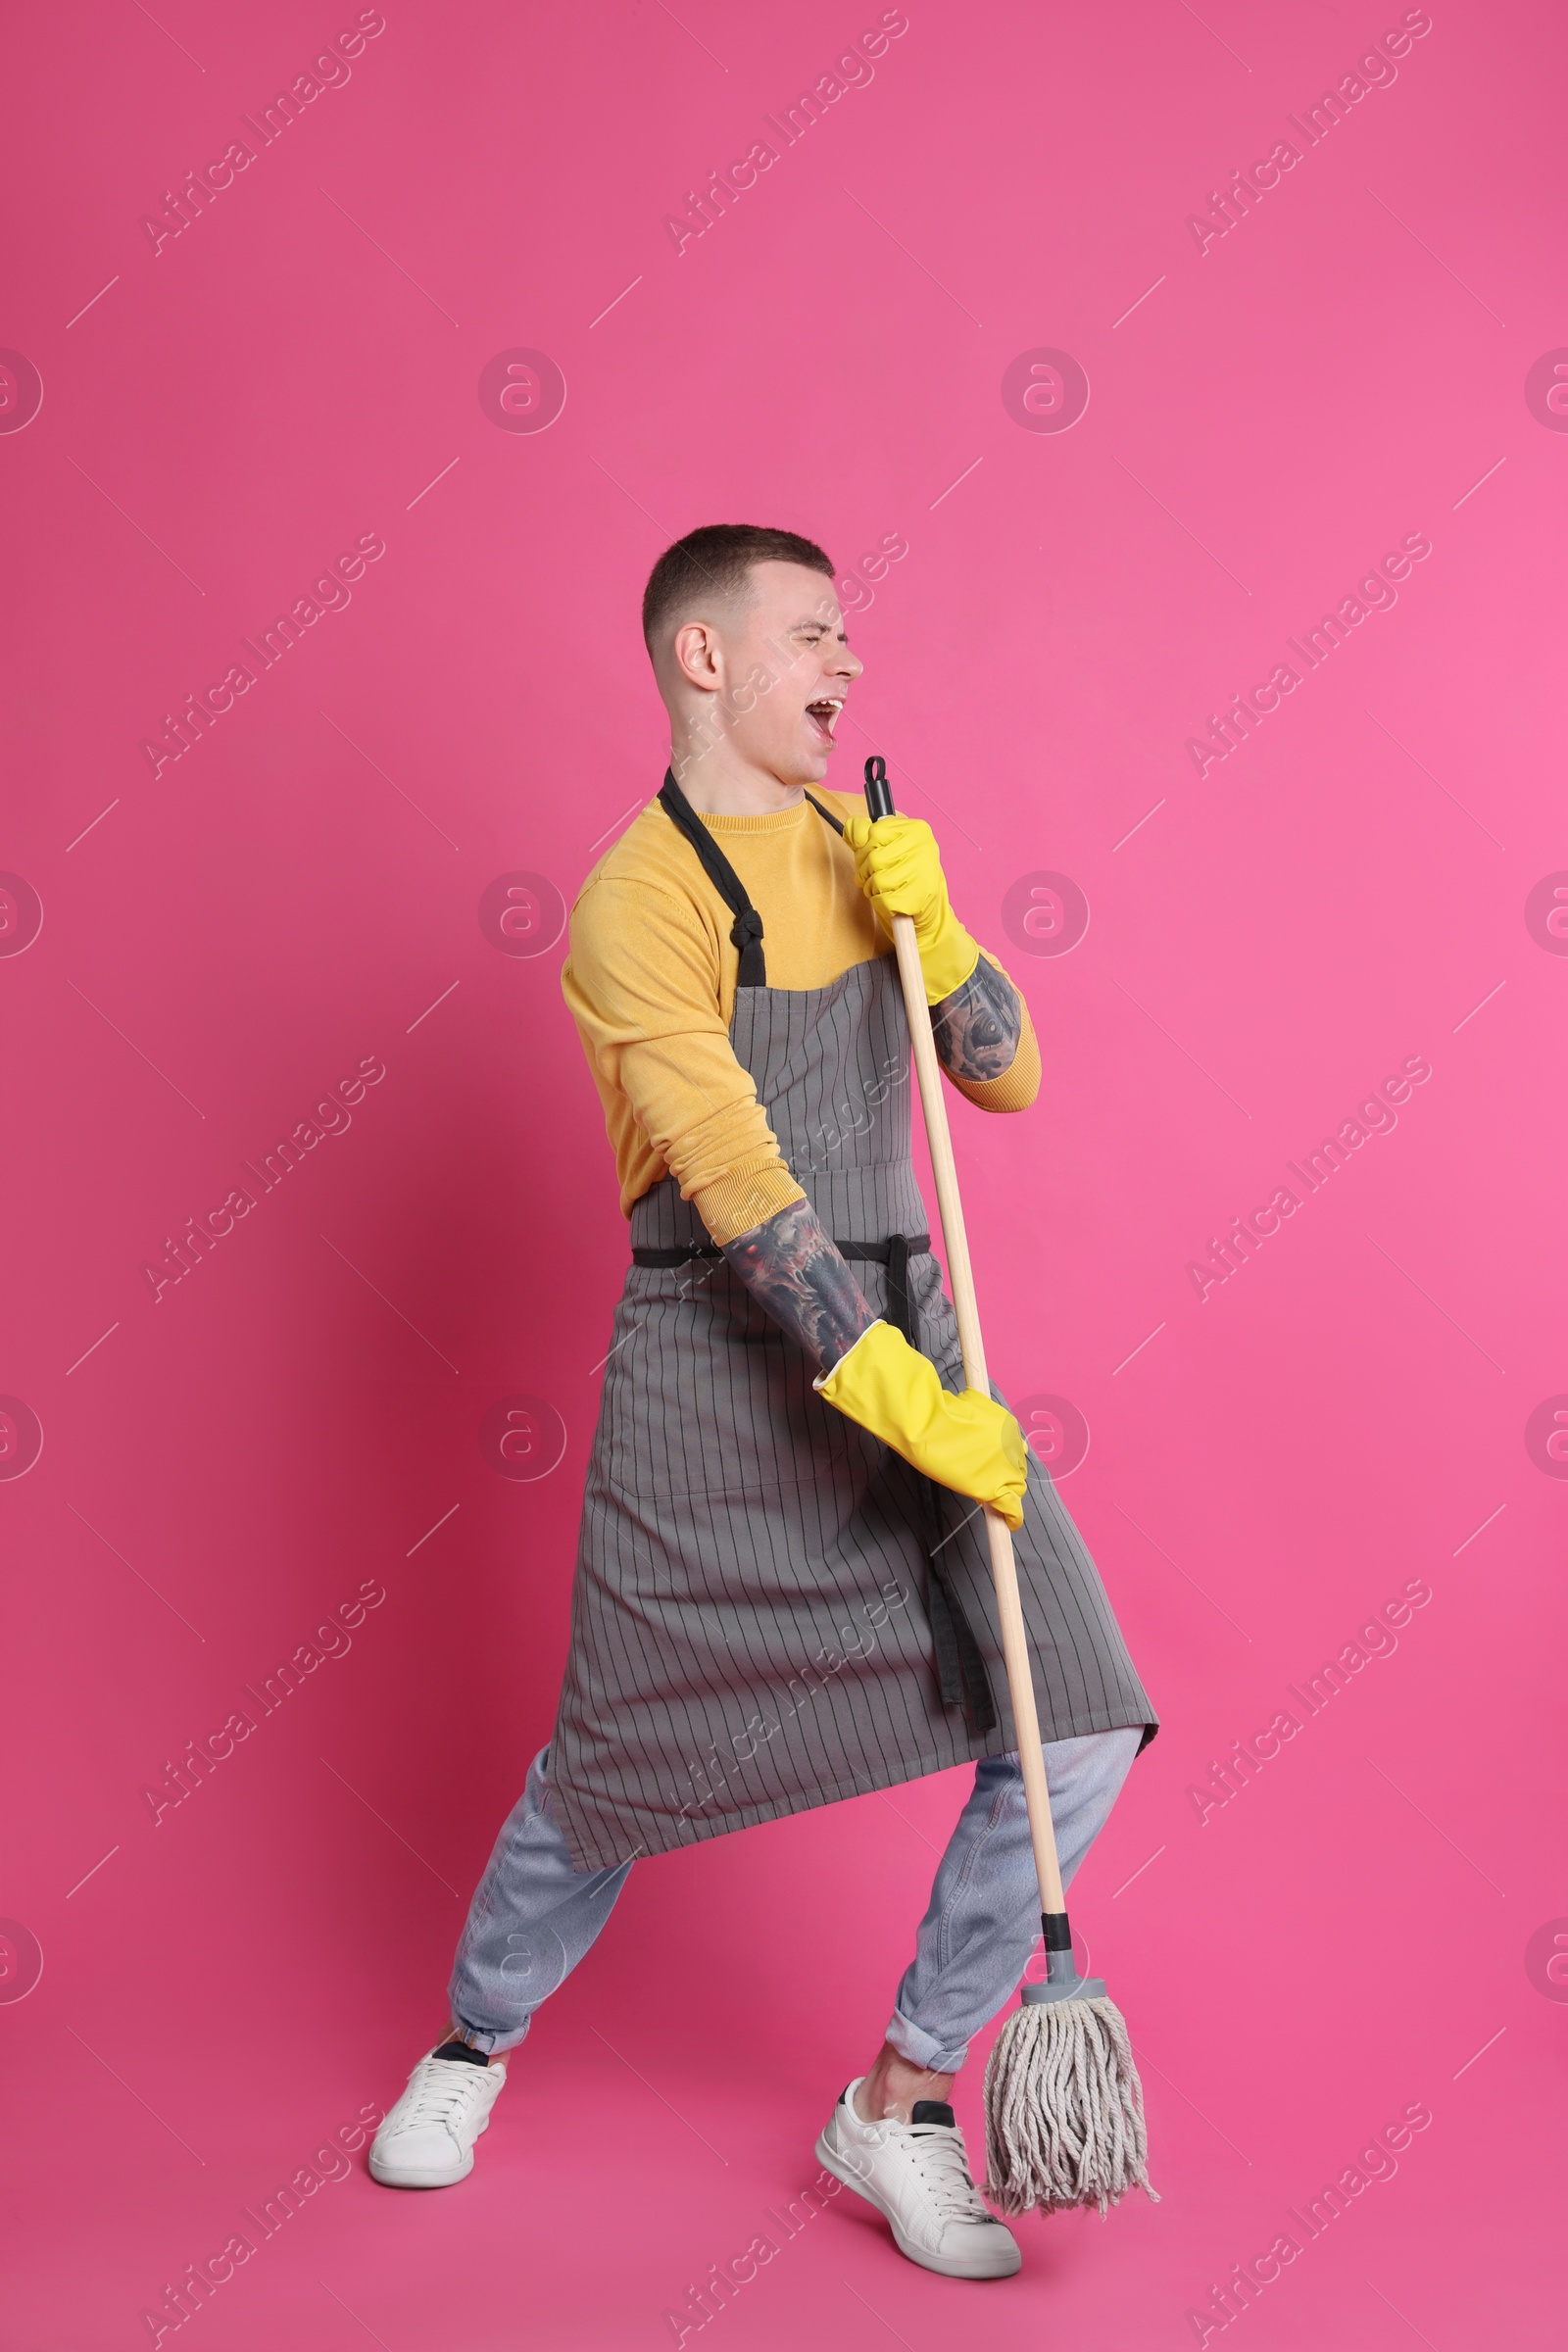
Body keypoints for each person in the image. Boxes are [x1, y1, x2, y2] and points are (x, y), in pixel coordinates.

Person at [369, 524, 1155, 2279]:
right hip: (721, 1369)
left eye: (850, 637)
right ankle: (471, 2043)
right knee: (611, 1771)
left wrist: (936, 927)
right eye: (817, 633)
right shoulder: (632, 906)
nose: (851, 664)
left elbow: (1004, 1074)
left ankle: (901, 2100)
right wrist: (900, 1401)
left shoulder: (855, 849)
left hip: (906, 1328)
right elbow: (739, 1191)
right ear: (707, 659)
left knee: (1079, 1716)